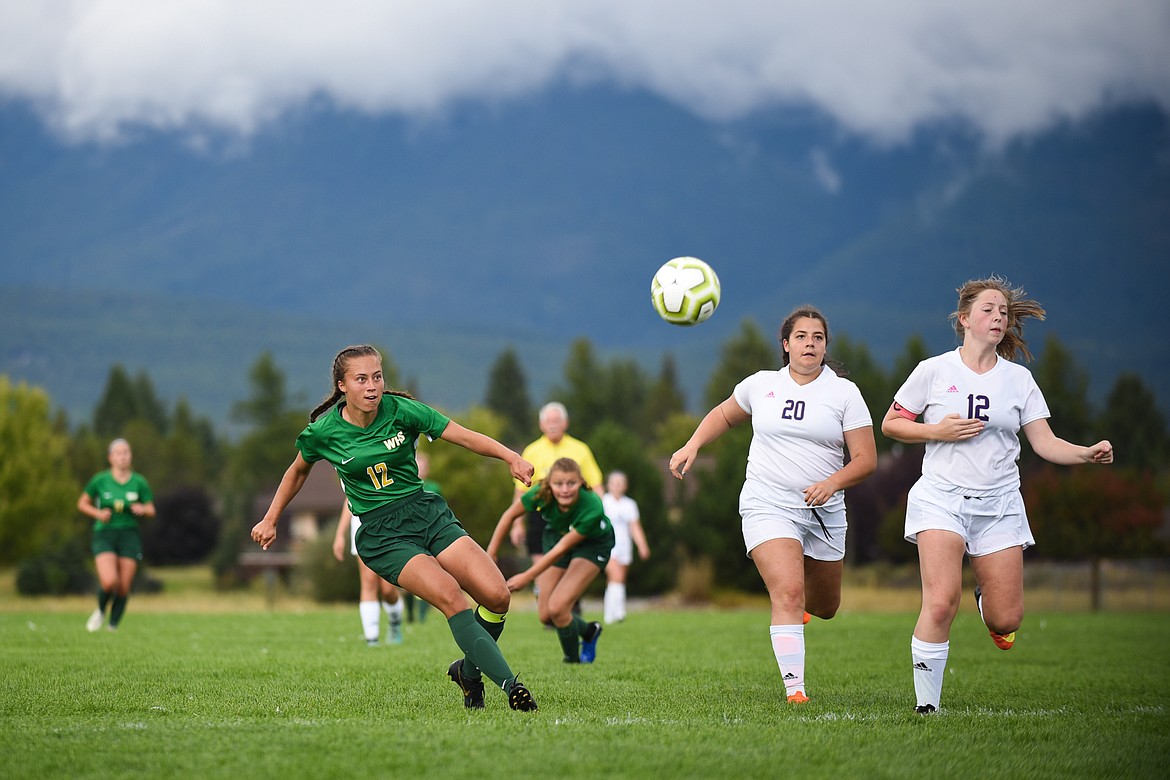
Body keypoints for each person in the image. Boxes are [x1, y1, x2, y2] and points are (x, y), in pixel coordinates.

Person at [250, 344, 538, 712]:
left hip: (426, 513)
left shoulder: (401, 410)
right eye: (361, 379)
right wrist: (271, 518)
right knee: (452, 597)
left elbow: (463, 435)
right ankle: (512, 686)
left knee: (497, 596)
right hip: (383, 535)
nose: (372, 386)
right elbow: (297, 471)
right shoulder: (323, 432)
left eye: (377, 376)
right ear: (342, 386)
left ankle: (468, 672)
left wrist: (510, 456)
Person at [880, 277, 1113, 715]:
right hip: (941, 498)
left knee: (1007, 620)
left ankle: (987, 598)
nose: (998, 318)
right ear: (965, 319)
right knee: (941, 599)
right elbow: (891, 424)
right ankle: (926, 707)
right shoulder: (934, 370)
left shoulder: (1019, 380)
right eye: (988, 310)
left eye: (1004, 312)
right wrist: (936, 430)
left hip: (1000, 504)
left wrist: (1085, 453)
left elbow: (1044, 442)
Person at [669, 306, 876, 704]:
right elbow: (724, 415)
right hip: (768, 502)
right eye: (801, 337)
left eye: (817, 337)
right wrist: (692, 444)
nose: (810, 344)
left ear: (825, 346)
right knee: (788, 594)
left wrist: (832, 484)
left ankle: (797, 607)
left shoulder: (844, 393)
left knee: (826, 606)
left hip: (824, 510)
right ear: (785, 344)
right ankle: (795, 690)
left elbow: (866, 459)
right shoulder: (761, 385)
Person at [489, 458, 613, 664]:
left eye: (571, 483)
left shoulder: (593, 506)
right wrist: (490, 553)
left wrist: (526, 577)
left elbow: (563, 548)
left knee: (558, 608)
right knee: (546, 615)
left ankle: (573, 662)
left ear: (581, 482)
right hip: (556, 538)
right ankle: (589, 631)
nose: (565, 489)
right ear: (549, 484)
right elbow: (508, 515)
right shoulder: (541, 493)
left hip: (592, 546)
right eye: (559, 484)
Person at [509, 402, 604, 571]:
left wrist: (599, 514)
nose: (553, 424)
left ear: (565, 423)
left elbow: (596, 485)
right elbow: (520, 491)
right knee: (540, 568)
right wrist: (518, 524)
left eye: (557, 420)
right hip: (540, 514)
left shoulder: (581, 449)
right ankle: (542, 594)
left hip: (574, 514)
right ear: (541, 424)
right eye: (548, 421)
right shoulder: (531, 451)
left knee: (569, 566)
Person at [78, 438, 156, 632]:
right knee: (110, 581)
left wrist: (142, 509)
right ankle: (101, 609)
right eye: (118, 453)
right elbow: (82, 503)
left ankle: (112, 627)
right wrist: (98, 513)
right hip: (105, 533)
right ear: (110, 458)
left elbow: (151, 510)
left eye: (126, 452)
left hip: (129, 535)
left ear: (131, 457)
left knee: (123, 586)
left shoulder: (139, 481)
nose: (123, 456)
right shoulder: (100, 480)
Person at [332, 502, 405, 646]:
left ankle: (395, 622)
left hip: (387, 520)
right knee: (368, 581)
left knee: (387, 588)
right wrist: (340, 534)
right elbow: (349, 498)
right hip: (361, 522)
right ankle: (372, 639)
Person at [601, 470, 650, 624]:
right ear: (608, 485)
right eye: (614, 483)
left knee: (619, 579)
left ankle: (611, 613)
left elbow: (634, 527)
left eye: (620, 483)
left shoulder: (630, 504)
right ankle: (618, 612)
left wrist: (642, 545)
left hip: (624, 546)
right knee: (615, 576)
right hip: (608, 545)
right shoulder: (603, 502)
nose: (617, 486)